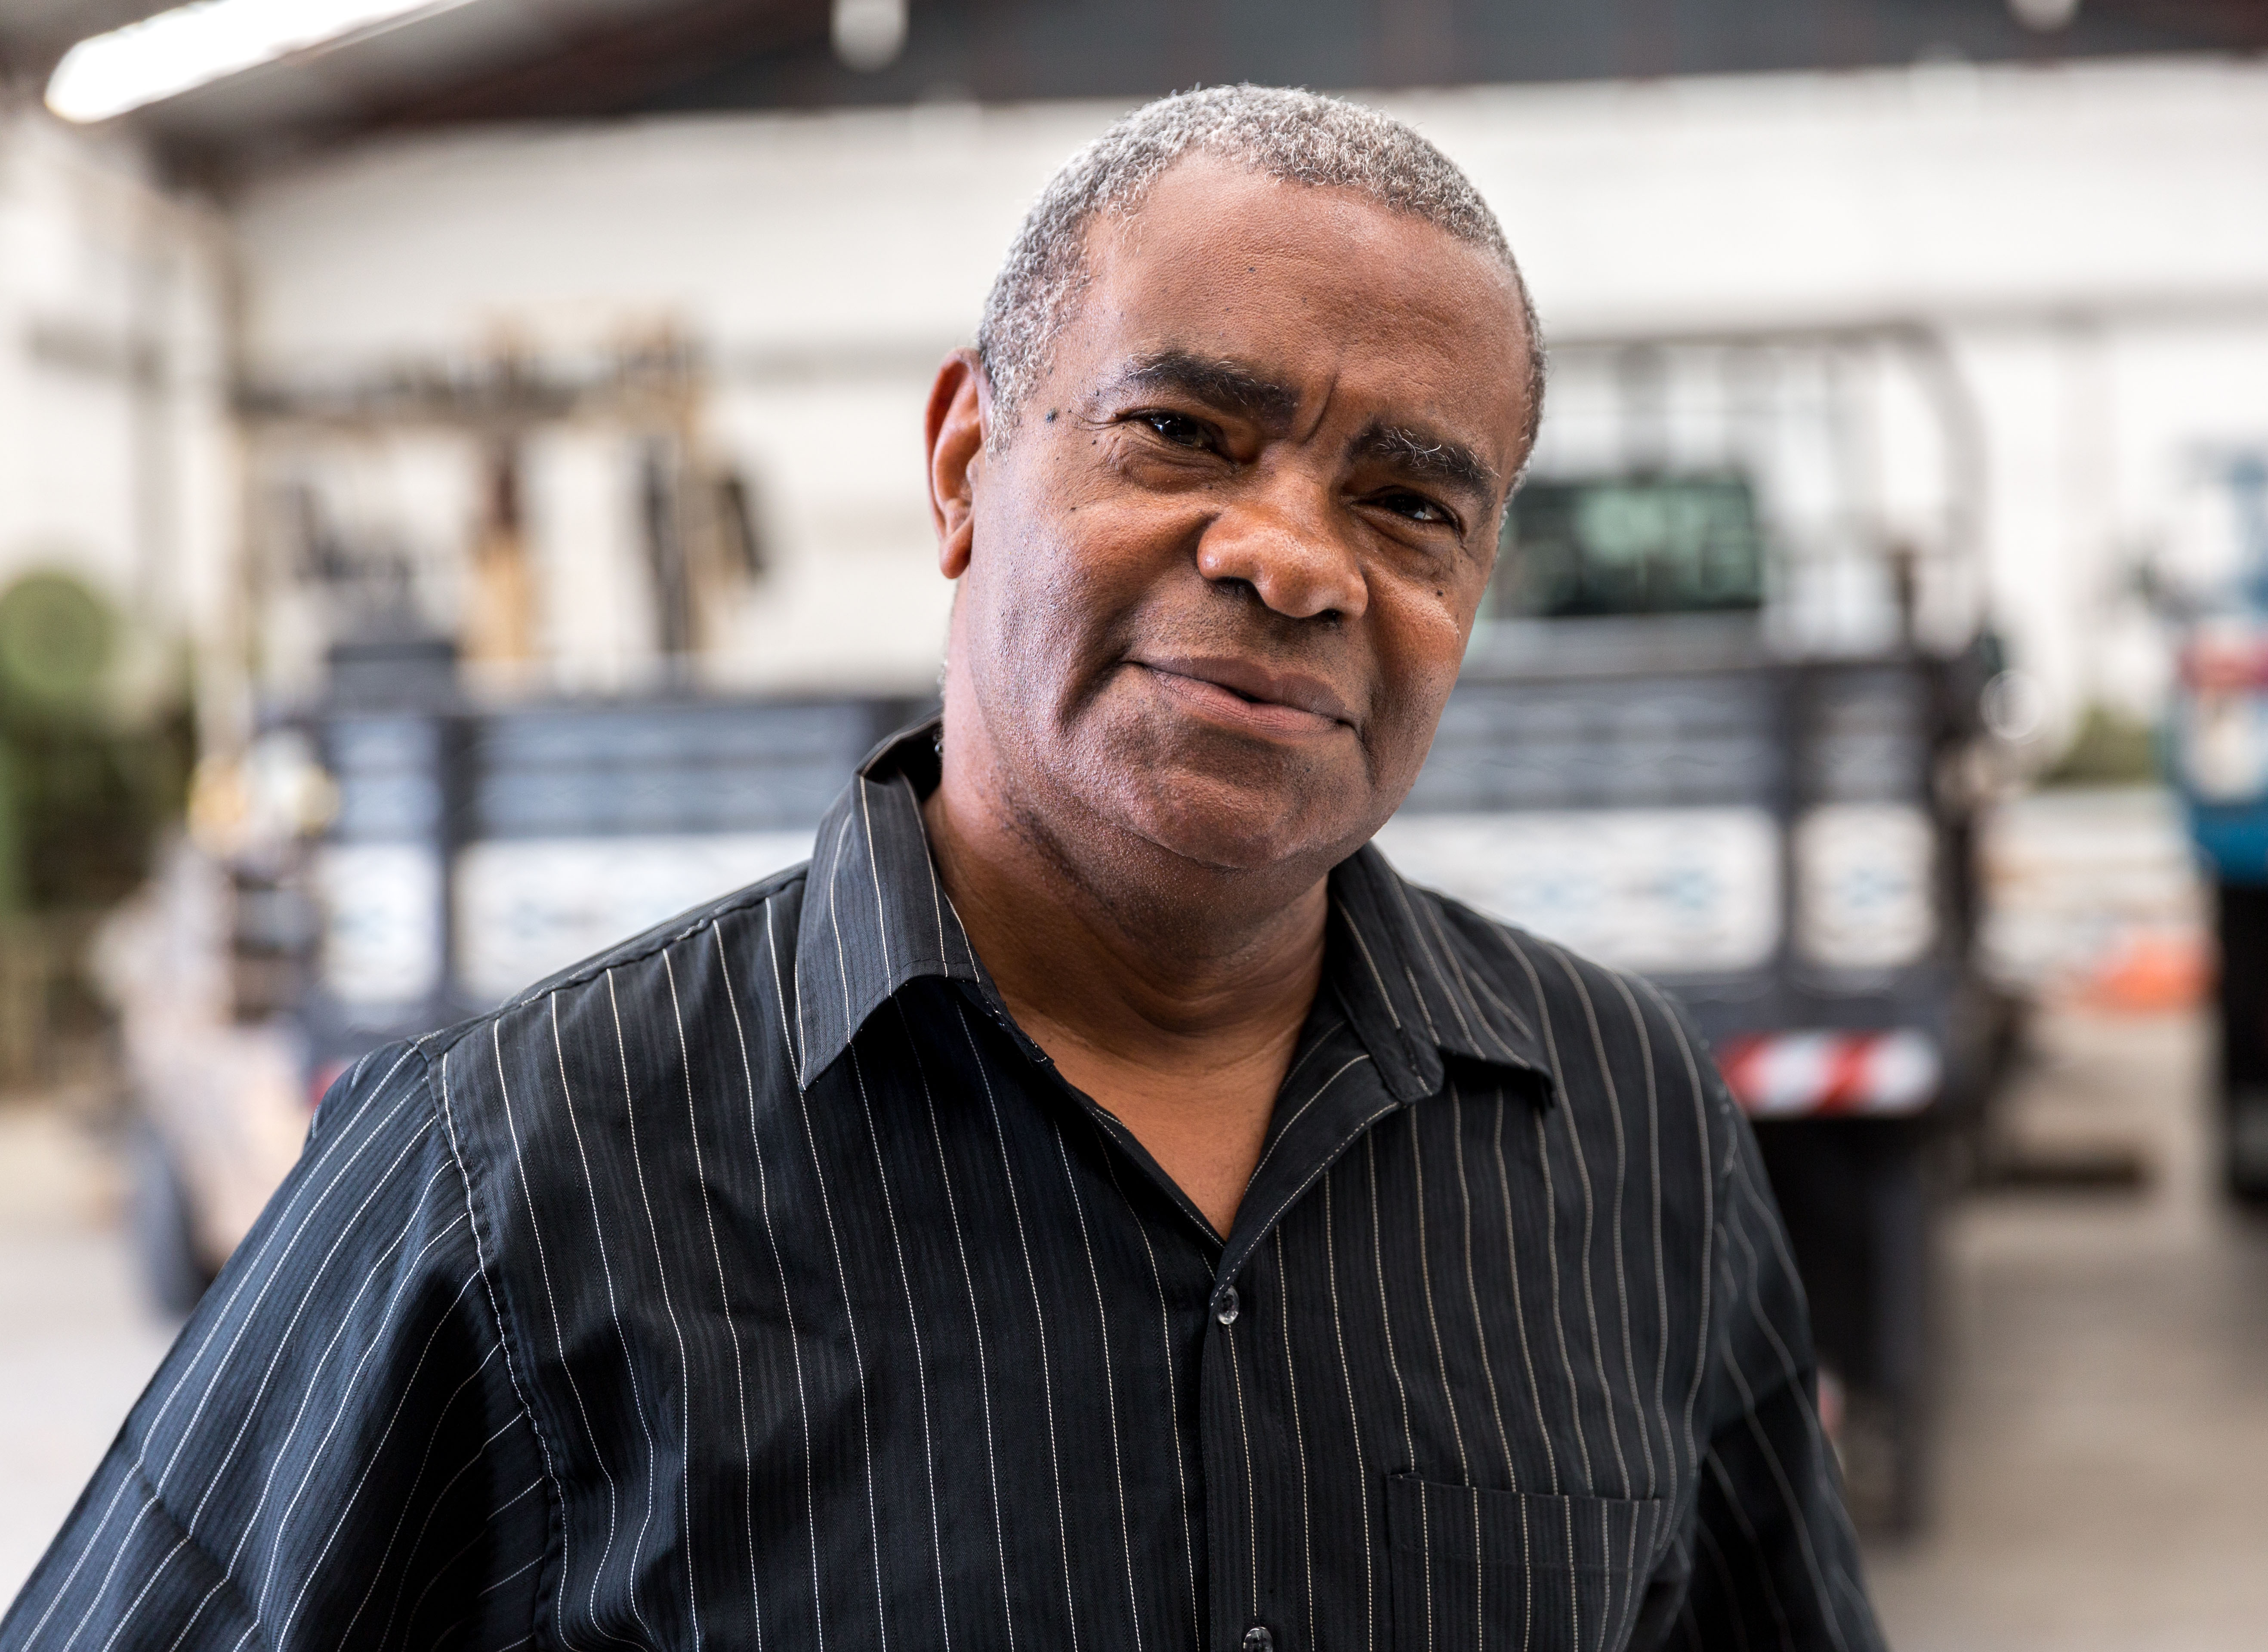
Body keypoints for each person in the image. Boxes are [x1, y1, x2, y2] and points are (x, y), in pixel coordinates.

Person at [3, 86, 1881, 1652]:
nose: (1294, 559)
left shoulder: (1630, 1125)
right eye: (1185, 432)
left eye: (1408, 503)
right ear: (968, 465)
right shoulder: (501, 1180)